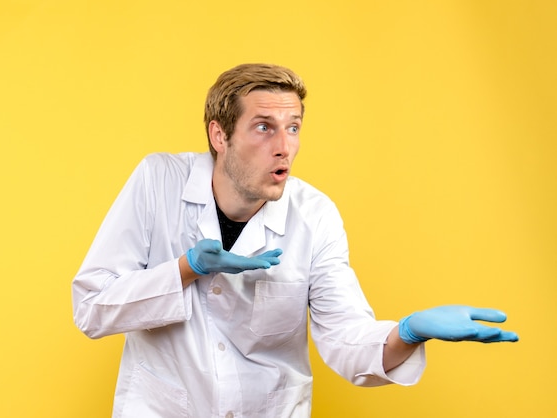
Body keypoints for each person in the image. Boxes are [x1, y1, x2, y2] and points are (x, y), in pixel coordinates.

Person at [72, 63, 518, 418]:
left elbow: (344, 335)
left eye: (294, 127)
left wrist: (406, 333)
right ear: (219, 135)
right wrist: (187, 269)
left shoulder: (315, 215)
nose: (285, 146)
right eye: (264, 127)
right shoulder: (158, 181)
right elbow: (91, 309)